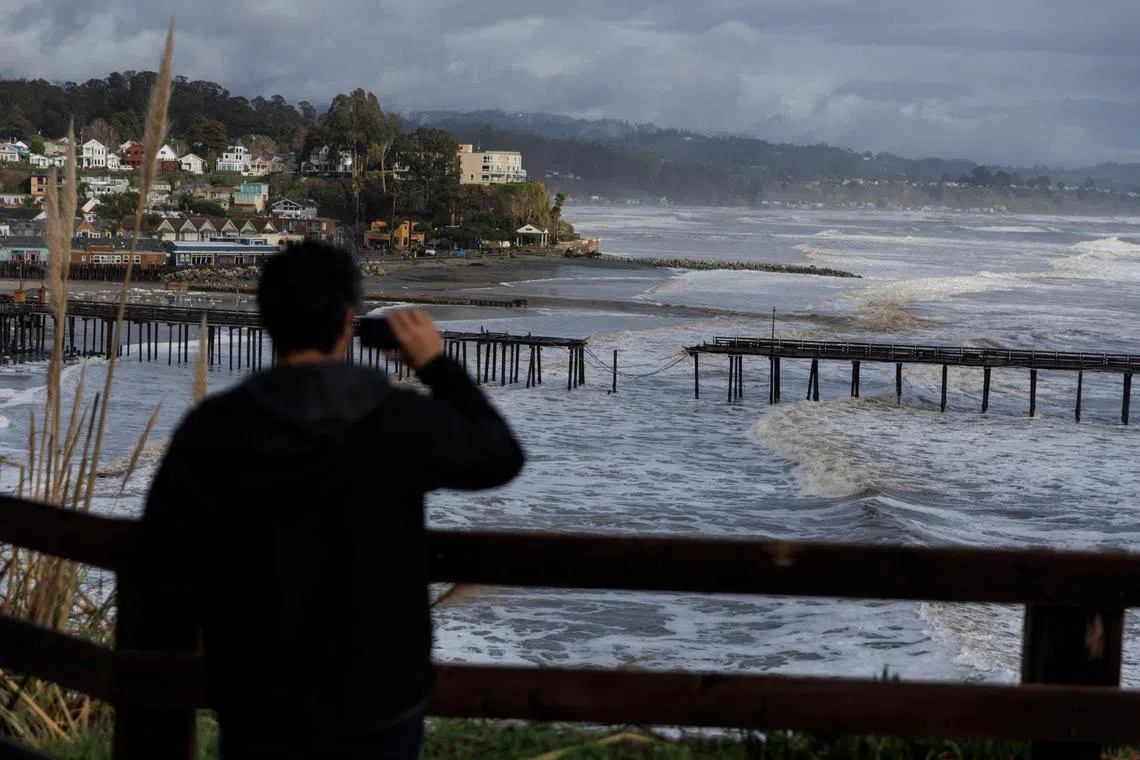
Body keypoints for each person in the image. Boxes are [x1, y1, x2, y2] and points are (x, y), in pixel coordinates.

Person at [130, 240, 525, 759]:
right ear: (348, 322)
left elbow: (161, 564)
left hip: (259, 699)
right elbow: (499, 455)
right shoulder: (397, 420)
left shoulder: (217, 426)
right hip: (377, 701)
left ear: (268, 320)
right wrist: (434, 365)